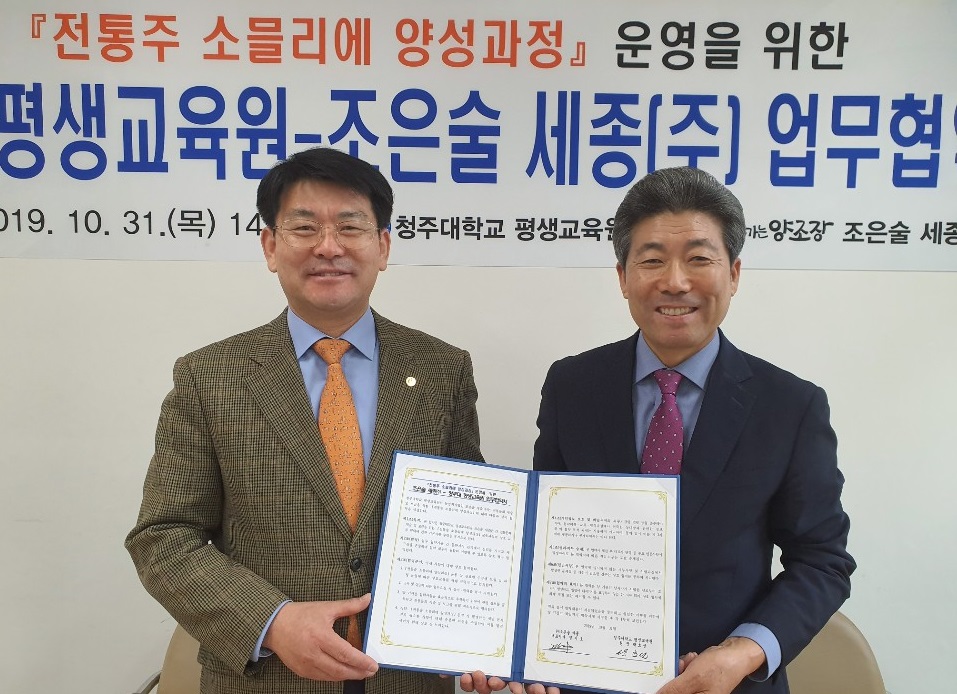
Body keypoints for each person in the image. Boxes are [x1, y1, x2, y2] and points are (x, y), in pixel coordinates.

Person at [126, 147, 484, 694]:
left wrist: (488, 639)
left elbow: (470, 522)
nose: (329, 247)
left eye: (350, 226)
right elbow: (163, 537)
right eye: (304, 227)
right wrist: (271, 622)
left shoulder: (442, 370)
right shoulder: (210, 376)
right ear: (270, 246)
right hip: (270, 679)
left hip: (407, 679)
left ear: (383, 246)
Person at [532, 166, 856, 694]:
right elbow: (545, 534)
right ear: (623, 277)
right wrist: (512, 652)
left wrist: (743, 652)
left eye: (700, 259)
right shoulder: (572, 385)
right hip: (582, 677)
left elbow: (822, 561)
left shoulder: (790, 405)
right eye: (652, 260)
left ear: (734, 273)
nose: (676, 281)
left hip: (730, 683)